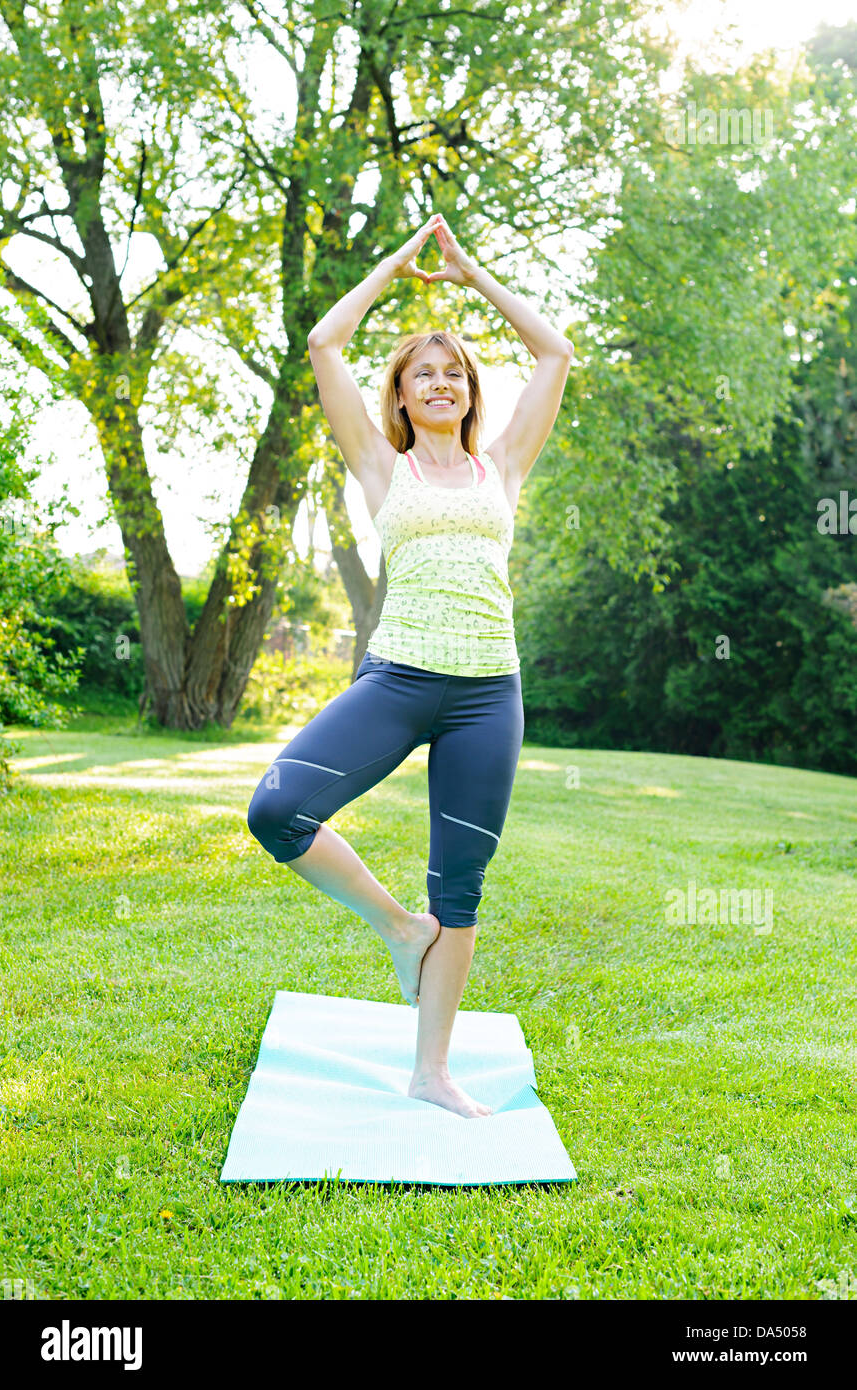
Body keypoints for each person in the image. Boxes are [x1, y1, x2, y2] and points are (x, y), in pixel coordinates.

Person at [247, 212, 574, 1118]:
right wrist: (395, 268)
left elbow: (554, 354)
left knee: (461, 888)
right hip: (397, 679)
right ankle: (398, 929)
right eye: (422, 372)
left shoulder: (504, 465)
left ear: (471, 392)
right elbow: (323, 340)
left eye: (453, 372)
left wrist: (471, 278)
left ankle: (430, 1073)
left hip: (487, 696)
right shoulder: (381, 469)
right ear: (400, 394)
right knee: (277, 809)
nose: (439, 381)